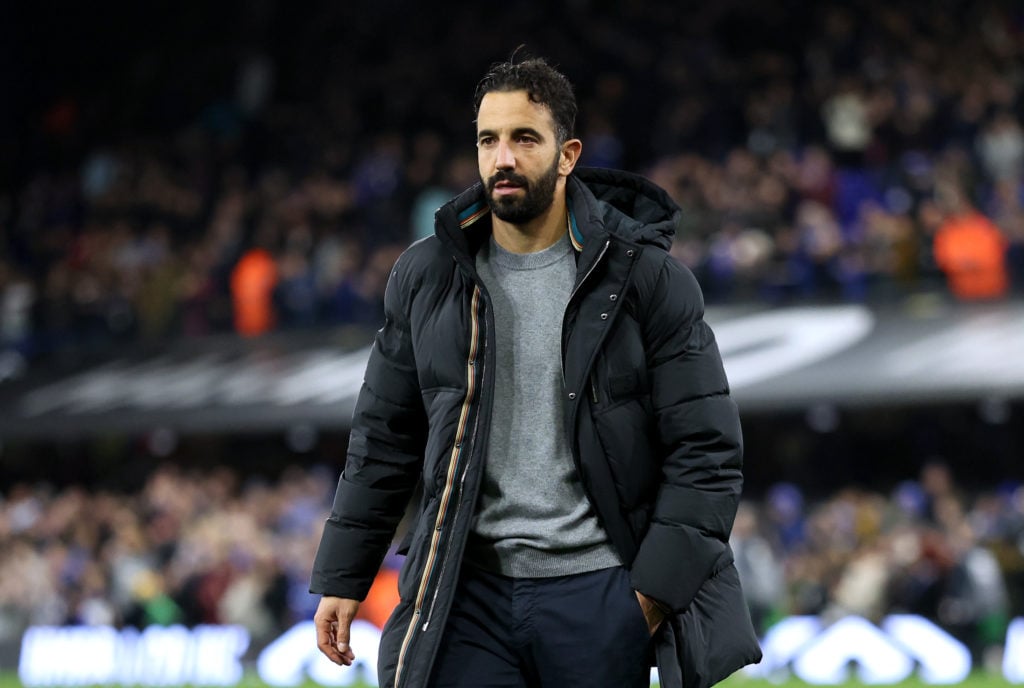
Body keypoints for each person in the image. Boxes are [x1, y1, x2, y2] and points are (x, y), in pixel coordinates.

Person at [310, 55, 761, 688]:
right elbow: (384, 438)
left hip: (599, 595)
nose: (503, 158)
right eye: (488, 140)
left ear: (568, 154)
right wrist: (343, 575)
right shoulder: (426, 275)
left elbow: (707, 451)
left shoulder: (648, 280)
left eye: (525, 138)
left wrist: (648, 599)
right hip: (466, 593)